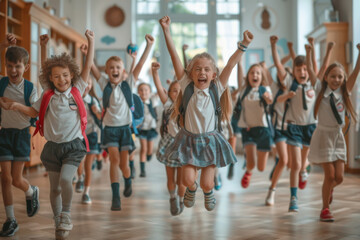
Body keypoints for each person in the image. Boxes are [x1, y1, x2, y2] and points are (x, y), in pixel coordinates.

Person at [8, 30, 94, 239]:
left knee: (66, 180)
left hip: (74, 146)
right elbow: (33, 111)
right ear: (51, 79)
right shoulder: (48, 93)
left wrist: (91, 42)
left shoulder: (78, 88)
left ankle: (66, 214)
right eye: (56, 77)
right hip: (52, 149)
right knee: (54, 188)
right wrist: (17, 106)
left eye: (65, 75)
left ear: (71, 75)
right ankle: (58, 223)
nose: (61, 79)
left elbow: (87, 66)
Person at [160, 15, 251, 211]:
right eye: (198, 69)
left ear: (213, 74)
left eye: (206, 70)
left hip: (210, 140)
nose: (202, 73)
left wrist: (243, 45)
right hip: (189, 140)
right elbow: (175, 56)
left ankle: (207, 191)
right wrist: (166, 31)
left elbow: (230, 65)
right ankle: (192, 189)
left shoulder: (217, 88)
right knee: (186, 180)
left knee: (207, 183)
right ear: (191, 73)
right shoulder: (186, 86)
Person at [90, 34, 154, 211]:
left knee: (124, 165)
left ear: (123, 70)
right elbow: (92, 67)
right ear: (107, 71)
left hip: (125, 130)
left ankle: (127, 180)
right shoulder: (104, 84)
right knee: (114, 161)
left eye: (118, 67)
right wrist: (89, 47)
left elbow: (140, 65)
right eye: (111, 68)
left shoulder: (128, 84)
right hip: (109, 130)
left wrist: (148, 46)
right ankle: (115, 196)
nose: (114, 70)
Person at [307, 43, 360, 222]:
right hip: (322, 136)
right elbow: (311, 70)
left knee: (339, 177)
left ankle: (329, 190)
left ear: (343, 79)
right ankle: (325, 209)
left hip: (338, 137)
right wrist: (309, 53)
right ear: (327, 78)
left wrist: (359, 55)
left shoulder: (345, 92)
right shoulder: (320, 90)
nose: (336, 79)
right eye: (333, 76)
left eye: (339, 77)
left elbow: (355, 73)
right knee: (329, 175)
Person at [0, 34, 40, 237]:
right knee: (5, 178)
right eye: (9, 66)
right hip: (4, 135)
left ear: (25, 66)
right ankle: (10, 219)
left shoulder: (30, 88)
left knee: (16, 179)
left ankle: (31, 191)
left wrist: (16, 106)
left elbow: (35, 112)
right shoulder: (2, 83)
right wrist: (4, 45)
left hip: (23, 135)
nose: (13, 70)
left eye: (17, 66)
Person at [152, 62, 186, 215]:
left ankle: (180, 199)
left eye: (180, 91)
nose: (177, 93)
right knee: (170, 177)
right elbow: (159, 89)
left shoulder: (188, 106)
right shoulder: (168, 105)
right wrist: (155, 73)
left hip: (184, 146)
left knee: (182, 179)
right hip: (169, 144)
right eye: (174, 91)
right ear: (170, 93)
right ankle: (172, 198)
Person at [236, 60, 273, 189]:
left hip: (263, 130)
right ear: (248, 76)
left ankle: (252, 169)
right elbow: (240, 75)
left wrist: (267, 98)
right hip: (248, 130)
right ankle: (248, 172)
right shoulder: (244, 89)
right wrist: (239, 60)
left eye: (258, 73)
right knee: (251, 164)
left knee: (261, 168)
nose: (255, 75)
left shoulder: (265, 89)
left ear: (262, 76)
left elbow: (269, 100)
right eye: (252, 73)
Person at [137, 82, 158, 177]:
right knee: (143, 149)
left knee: (150, 150)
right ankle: (142, 170)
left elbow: (158, 93)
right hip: (142, 128)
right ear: (138, 92)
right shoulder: (137, 102)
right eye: (141, 90)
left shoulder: (152, 101)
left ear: (150, 92)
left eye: (146, 90)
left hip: (151, 128)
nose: (144, 92)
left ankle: (149, 155)